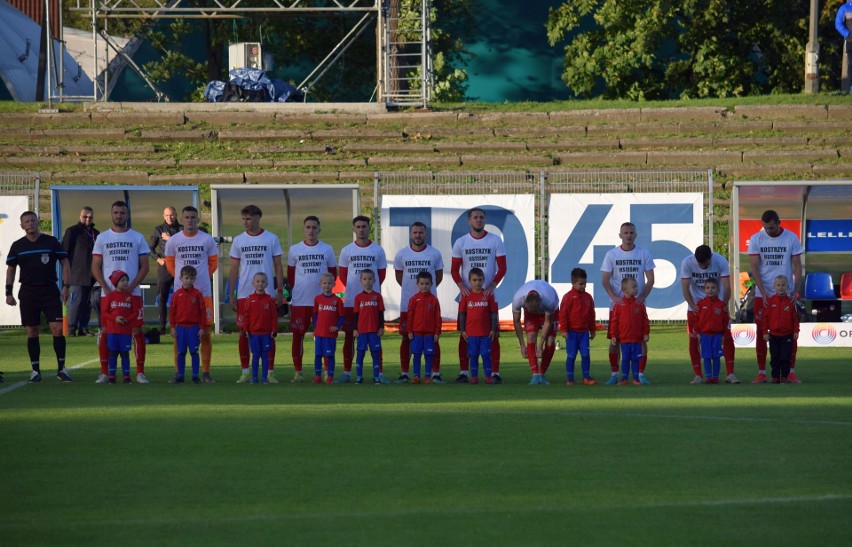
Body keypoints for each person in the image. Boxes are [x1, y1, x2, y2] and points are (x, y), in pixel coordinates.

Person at [5, 211, 72, 383]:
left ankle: (61, 369)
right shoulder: (17, 246)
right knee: (32, 330)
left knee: (57, 328)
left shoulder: (51, 242)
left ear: (38, 222)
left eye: (33, 220)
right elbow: (11, 269)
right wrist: (8, 292)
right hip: (28, 292)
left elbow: (65, 262)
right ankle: (35, 371)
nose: (30, 224)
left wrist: (66, 286)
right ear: (22, 226)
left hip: (49, 291)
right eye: (26, 221)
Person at [92, 201, 150, 384]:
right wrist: (107, 288)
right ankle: (104, 372)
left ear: (127, 214)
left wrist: (132, 285)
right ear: (111, 214)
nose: (119, 216)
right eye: (116, 212)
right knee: (106, 330)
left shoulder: (137, 237)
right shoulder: (102, 238)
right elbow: (95, 266)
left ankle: (140, 372)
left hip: (132, 294)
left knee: (137, 329)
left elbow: (145, 267)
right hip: (108, 295)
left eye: (122, 213)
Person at [229, 205, 285, 384]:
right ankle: (245, 371)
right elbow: (234, 268)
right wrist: (231, 294)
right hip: (245, 295)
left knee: (269, 332)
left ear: (258, 218)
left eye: (249, 219)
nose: (245, 222)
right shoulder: (238, 240)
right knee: (243, 333)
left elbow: (278, 266)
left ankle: (269, 371)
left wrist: (279, 291)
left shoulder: (271, 238)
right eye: (243, 219)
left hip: (267, 294)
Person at [450, 207, 507, 384]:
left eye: (481, 217)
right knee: (465, 334)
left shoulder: (495, 240)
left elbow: (503, 267)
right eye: (475, 217)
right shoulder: (461, 242)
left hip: (488, 295)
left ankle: (495, 373)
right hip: (468, 296)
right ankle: (464, 372)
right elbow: (454, 269)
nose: (479, 220)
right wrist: (461, 286)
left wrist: (492, 285)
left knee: (492, 333)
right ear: (469, 221)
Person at [747, 209, 803, 384]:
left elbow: (797, 266)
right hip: (763, 294)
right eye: (765, 227)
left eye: (771, 228)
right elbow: (754, 267)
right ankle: (762, 372)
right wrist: (763, 291)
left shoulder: (791, 238)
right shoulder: (757, 238)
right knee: (761, 332)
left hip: (786, 294)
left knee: (790, 333)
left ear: (779, 223)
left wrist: (795, 290)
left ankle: (790, 372)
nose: (768, 231)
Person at [165, 206, 219, 383]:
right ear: (182, 218)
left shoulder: (207, 240)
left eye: (193, 217)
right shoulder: (174, 241)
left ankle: (205, 371)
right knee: (178, 333)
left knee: (205, 333)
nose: (190, 220)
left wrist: (200, 279)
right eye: (187, 217)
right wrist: (183, 282)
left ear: (198, 219)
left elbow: (213, 264)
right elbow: (170, 265)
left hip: (203, 293)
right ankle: (178, 372)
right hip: (181, 295)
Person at [601, 221, 655, 385]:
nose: (628, 235)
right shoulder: (612, 255)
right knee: (614, 340)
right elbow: (605, 280)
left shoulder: (643, 253)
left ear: (635, 235)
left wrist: (642, 297)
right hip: (618, 307)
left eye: (631, 232)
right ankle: (614, 373)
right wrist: (613, 297)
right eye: (625, 233)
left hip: (637, 306)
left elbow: (651, 279)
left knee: (641, 340)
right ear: (620, 235)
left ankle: (641, 373)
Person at [287, 215, 337, 383]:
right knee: (297, 336)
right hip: (301, 301)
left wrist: (325, 294)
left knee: (324, 337)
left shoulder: (327, 249)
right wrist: (299, 291)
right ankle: (298, 372)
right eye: (308, 227)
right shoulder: (295, 250)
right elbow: (291, 276)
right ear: (304, 229)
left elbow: (332, 274)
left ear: (319, 230)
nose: (311, 230)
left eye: (314, 227)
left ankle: (325, 371)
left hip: (322, 302)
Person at [337, 215, 387, 383]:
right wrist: (356, 290)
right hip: (352, 301)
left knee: (375, 338)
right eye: (358, 227)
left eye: (364, 226)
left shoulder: (378, 250)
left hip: (372, 302)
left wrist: (370, 291)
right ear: (354, 229)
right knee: (350, 337)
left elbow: (381, 275)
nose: (361, 229)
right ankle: (347, 372)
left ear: (368, 228)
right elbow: (343, 276)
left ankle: (379, 373)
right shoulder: (346, 250)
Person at [393, 221, 444, 384]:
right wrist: (413, 293)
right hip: (407, 305)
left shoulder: (434, 253)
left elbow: (438, 277)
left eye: (421, 232)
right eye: (415, 232)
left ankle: (435, 373)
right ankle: (405, 373)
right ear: (410, 234)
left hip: (428, 306)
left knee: (433, 339)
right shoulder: (401, 254)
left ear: (426, 234)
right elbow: (399, 277)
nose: (418, 235)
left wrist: (426, 294)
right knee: (406, 339)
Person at [680, 244, 738, 384]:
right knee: (694, 339)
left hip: (717, 306)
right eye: (700, 263)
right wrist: (693, 306)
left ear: (711, 257)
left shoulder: (720, 261)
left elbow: (726, 286)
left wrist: (723, 305)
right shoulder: (687, 263)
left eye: (705, 263)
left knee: (727, 337)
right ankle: (698, 375)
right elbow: (685, 287)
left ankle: (730, 374)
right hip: (696, 307)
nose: (702, 266)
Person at [511, 279, 560, 385]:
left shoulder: (549, 300)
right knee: (531, 337)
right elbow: (516, 321)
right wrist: (522, 345)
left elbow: (548, 322)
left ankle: (541, 374)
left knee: (550, 341)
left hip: (551, 312)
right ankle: (535, 375)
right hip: (531, 313)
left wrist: (540, 345)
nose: (537, 313)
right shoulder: (518, 299)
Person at [62, 206, 99, 337]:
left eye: (90, 217)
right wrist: (66, 274)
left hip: (93, 274)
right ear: (80, 216)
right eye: (85, 216)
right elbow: (64, 253)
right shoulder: (72, 231)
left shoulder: (96, 233)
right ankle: (72, 328)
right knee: (77, 301)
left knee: (88, 302)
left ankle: (83, 327)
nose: (88, 219)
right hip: (77, 273)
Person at [458, 268, 498, 384]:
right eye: (474, 280)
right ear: (469, 281)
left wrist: (493, 329)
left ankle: (488, 377)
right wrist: (463, 330)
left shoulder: (488, 295)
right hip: (471, 333)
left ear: (484, 280)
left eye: (480, 280)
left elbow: (493, 313)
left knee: (486, 354)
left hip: (485, 333)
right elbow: (462, 314)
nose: (477, 282)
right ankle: (474, 377)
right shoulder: (466, 295)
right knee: (473, 354)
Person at [558, 268, 597, 386]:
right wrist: (564, 330)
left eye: (585, 283)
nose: (583, 286)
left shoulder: (588, 297)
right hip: (571, 333)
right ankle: (570, 378)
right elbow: (563, 314)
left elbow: (591, 314)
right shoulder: (568, 297)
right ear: (573, 283)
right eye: (581, 284)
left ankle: (586, 377)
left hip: (584, 332)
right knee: (571, 355)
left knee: (585, 355)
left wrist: (593, 329)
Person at [169, 265, 207, 385]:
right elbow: (172, 312)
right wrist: (172, 327)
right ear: (181, 278)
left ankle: (195, 376)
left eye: (191, 278)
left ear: (194, 279)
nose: (189, 280)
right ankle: (180, 376)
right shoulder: (176, 295)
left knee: (194, 352)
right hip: (180, 328)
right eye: (186, 278)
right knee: (181, 352)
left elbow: (202, 312)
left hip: (193, 328)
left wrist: (201, 327)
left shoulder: (197, 294)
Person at [609, 277, 650, 386]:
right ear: (625, 290)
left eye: (636, 286)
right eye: (634, 286)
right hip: (624, 339)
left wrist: (646, 333)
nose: (637, 289)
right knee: (625, 359)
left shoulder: (639, 304)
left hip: (637, 339)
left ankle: (636, 378)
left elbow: (645, 320)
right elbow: (614, 321)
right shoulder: (618, 305)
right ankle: (624, 378)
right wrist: (613, 335)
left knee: (636, 359)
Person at [102, 270, 140, 384]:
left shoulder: (130, 297)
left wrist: (128, 319)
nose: (125, 282)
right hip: (113, 331)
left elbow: (135, 312)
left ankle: (126, 376)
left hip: (125, 332)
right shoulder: (110, 296)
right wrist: (115, 318)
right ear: (116, 282)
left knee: (125, 354)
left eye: (127, 280)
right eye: (122, 280)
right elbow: (104, 313)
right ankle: (112, 376)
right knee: (113, 353)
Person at [353, 270, 390, 384]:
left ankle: (377, 377)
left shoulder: (377, 297)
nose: (367, 281)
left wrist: (381, 327)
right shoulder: (358, 297)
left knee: (376, 354)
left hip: (374, 331)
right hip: (362, 331)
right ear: (360, 281)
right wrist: (355, 329)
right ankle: (359, 377)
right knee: (360, 354)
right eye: (364, 279)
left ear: (374, 280)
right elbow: (355, 315)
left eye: (370, 279)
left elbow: (380, 313)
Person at [149, 207, 182, 333]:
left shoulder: (182, 230)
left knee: (181, 297)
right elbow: (150, 249)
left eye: (172, 215)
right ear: (163, 216)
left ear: (176, 215)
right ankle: (162, 326)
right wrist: (158, 259)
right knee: (162, 296)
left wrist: (170, 239)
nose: (170, 218)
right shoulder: (158, 230)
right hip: (165, 266)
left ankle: (180, 325)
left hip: (179, 266)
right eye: (167, 215)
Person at [763, 275, 800, 384]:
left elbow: (795, 319)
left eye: (783, 285)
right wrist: (765, 332)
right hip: (773, 335)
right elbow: (765, 318)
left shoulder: (790, 302)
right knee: (774, 357)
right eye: (778, 285)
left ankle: (784, 376)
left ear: (788, 287)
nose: (781, 287)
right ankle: (775, 377)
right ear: (774, 286)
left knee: (785, 357)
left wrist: (796, 331)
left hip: (787, 335)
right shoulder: (770, 301)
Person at [407, 271, 443, 384]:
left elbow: (438, 317)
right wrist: (409, 330)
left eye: (427, 283)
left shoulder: (434, 300)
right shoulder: (414, 299)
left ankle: (427, 376)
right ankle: (416, 376)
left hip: (429, 334)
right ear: (417, 284)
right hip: (416, 333)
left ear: (431, 284)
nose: (424, 286)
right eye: (422, 283)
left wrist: (437, 332)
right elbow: (410, 317)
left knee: (429, 355)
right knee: (416, 355)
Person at [245, 272, 278, 384]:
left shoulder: (269, 300)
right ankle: (254, 378)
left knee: (265, 356)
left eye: (263, 281)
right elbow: (246, 316)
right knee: (255, 356)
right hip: (254, 333)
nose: (260, 284)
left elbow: (274, 316)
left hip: (266, 333)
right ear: (253, 283)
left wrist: (274, 329)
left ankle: (264, 378)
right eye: (258, 281)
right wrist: (246, 329)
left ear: (267, 284)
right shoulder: (249, 299)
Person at [694, 277, 728, 384]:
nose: (710, 290)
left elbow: (725, 321)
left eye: (713, 288)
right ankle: (708, 377)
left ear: (718, 290)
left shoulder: (722, 304)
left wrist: (724, 334)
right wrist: (697, 332)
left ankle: (716, 377)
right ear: (704, 290)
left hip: (717, 335)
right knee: (707, 356)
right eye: (707, 288)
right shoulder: (700, 304)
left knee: (716, 356)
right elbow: (696, 319)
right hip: (704, 335)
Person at [313, 272, 344, 384]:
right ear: (320, 284)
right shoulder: (317, 299)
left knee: (329, 355)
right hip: (319, 333)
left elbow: (341, 316)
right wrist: (315, 328)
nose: (327, 285)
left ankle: (330, 376)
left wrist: (337, 327)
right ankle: (317, 376)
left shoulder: (337, 300)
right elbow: (315, 314)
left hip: (330, 334)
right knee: (317, 355)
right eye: (324, 283)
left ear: (334, 284)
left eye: (329, 283)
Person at [836, 0, 852, 93]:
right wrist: (848, 34)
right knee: (851, 65)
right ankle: (851, 88)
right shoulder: (844, 8)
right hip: (850, 41)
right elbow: (838, 24)